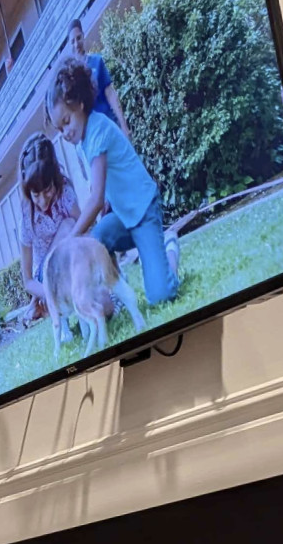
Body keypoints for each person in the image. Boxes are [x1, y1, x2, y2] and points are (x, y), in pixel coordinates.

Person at [47, 57, 179, 308]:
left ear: (81, 104)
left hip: (143, 211)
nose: (65, 132)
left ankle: (170, 247)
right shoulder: (82, 142)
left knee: (161, 296)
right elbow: (104, 189)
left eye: (66, 121)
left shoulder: (98, 130)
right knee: (97, 239)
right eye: (59, 129)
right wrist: (107, 203)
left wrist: (71, 239)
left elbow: (95, 199)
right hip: (123, 215)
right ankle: (118, 290)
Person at [17, 132, 80, 319]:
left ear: (55, 180)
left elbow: (83, 229)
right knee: (69, 226)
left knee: (71, 225)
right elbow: (27, 280)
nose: (43, 201)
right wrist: (46, 292)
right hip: (45, 277)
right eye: (36, 195)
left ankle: (56, 301)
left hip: (71, 263)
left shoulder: (65, 193)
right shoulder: (26, 221)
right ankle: (52, 303)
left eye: (47, 191)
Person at [61, 17, 131, 139]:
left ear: (83, 36)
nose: (76, 44)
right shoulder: (70, 76)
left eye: (78, 38)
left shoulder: (97, 61)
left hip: (110, 124)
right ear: (69, 44)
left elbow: (110, 94)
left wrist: (124, 125)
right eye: (72, 41)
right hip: (92, 135)